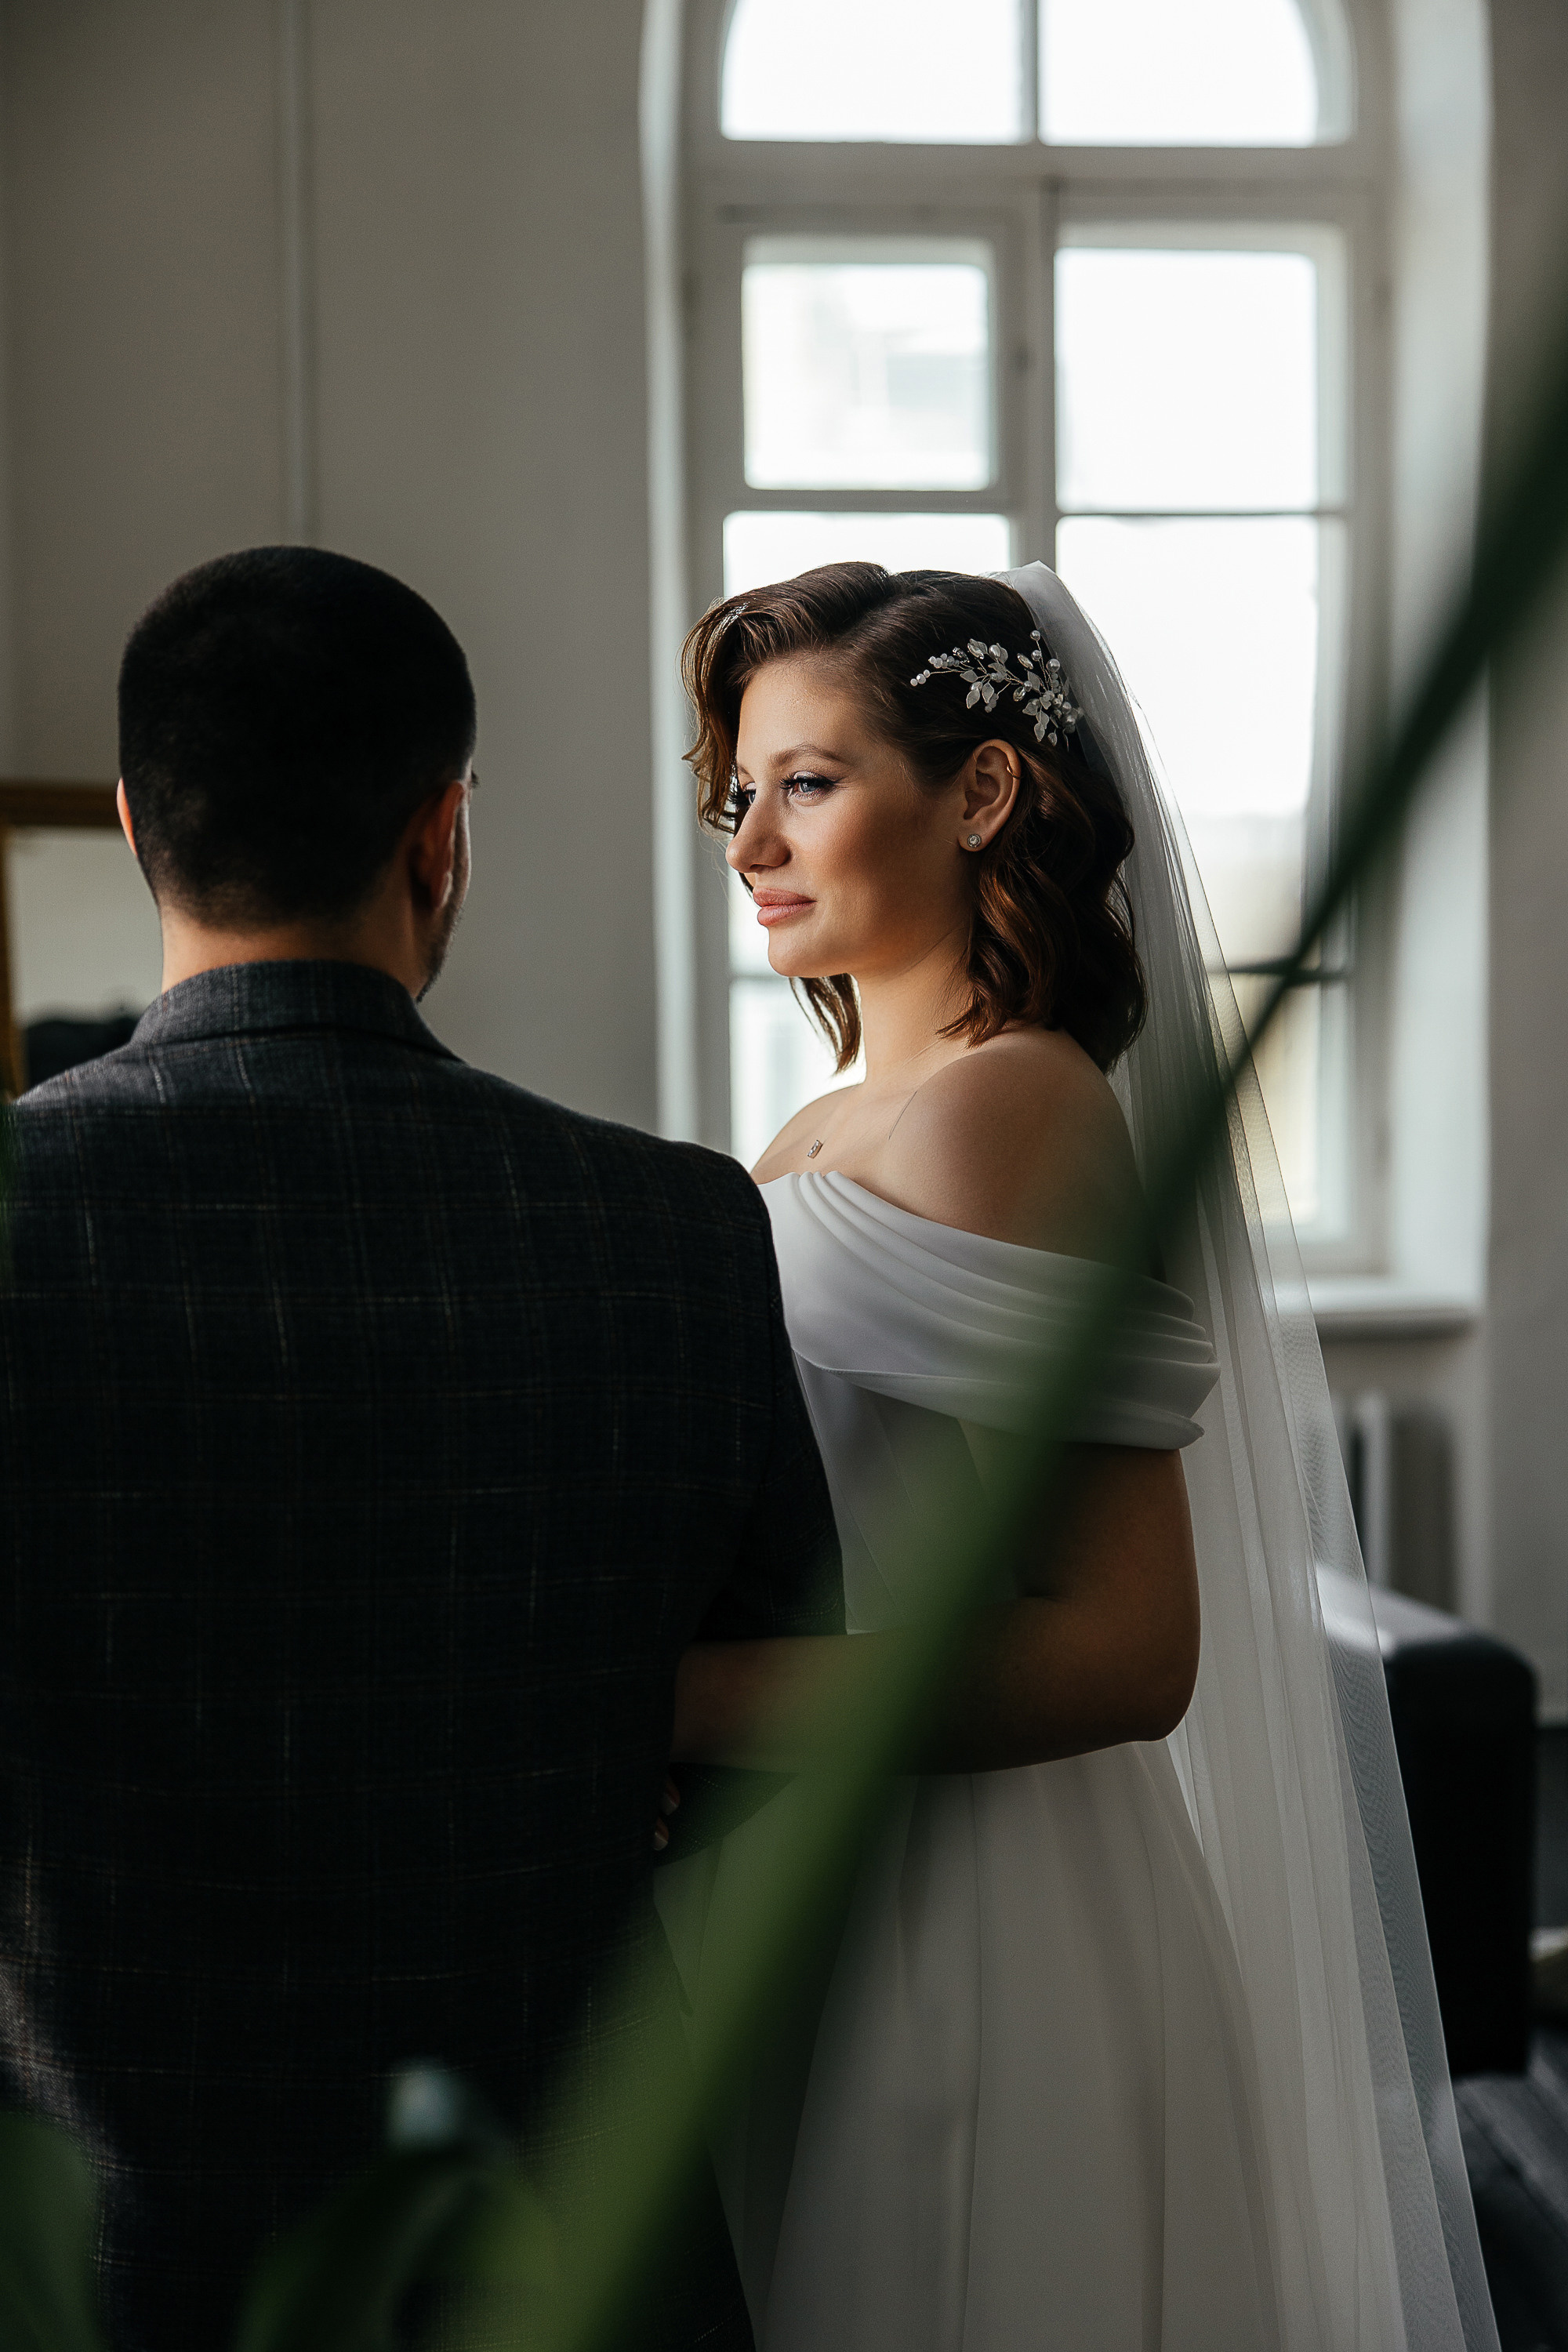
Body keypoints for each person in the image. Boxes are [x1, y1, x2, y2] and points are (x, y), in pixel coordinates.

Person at [0, 545, 846, 2352]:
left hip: (110, 2249)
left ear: (144, 824)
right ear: (442, 833)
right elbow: (776, 1687)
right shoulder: (677, 1225)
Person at [659, 562, 1499, 2351]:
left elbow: (1129, 1648)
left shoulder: (1006, 1101)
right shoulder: (828, 1119)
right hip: (832, 1872)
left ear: (977, 793)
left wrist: (683, 1704)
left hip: (976, 1917)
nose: (748, 842)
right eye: (740, 791)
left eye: (807, 782)